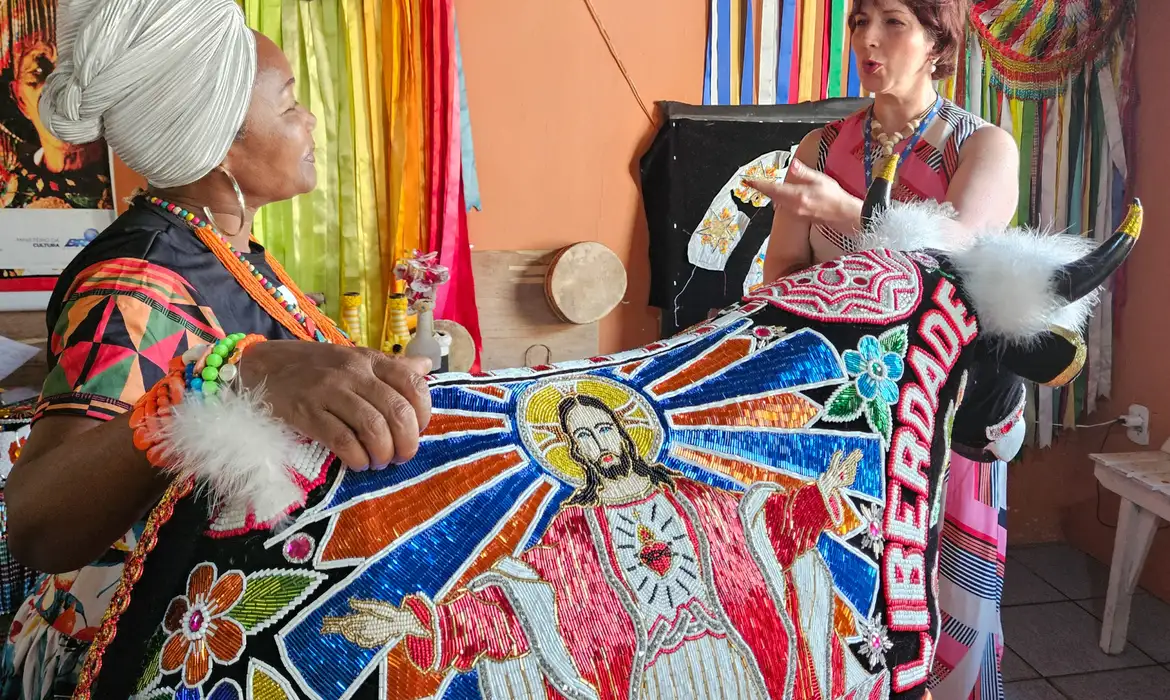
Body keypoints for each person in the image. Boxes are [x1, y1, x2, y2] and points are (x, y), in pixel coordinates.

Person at [0, 0, 432, 697]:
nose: (310, 121)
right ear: (223, 136)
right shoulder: (134, 281)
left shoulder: (231, 251)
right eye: (290, 102)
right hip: (131, 649)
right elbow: (40, 527)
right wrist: (226, 374)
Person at [746, 1, 1020, 699]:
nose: (868, 39)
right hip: (840, 417)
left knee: (940, 598)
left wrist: (846, 212)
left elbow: (954, 249)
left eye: (893, 21)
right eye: (859, 18)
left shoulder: (980, 146)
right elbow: (780, 274)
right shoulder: (818, 147)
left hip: (941, 412)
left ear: (938, 39)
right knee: (834, 600)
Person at [320, 387, 886, 700]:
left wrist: (819, 497)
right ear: (574, 452)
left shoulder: (690, 498)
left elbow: (764, 534)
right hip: (652, 679)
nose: (599, 443)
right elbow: (519, 603)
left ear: (624, 432)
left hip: (733, 661)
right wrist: (419, 625)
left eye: (605, 428)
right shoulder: (575, 531)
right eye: (583, 437)